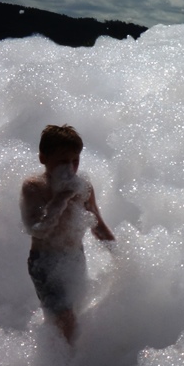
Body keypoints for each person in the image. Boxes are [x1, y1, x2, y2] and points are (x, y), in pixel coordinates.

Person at [20, 125, 115, 343]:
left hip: (74, 257)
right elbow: (38, 230)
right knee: (63, 318)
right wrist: (61, 198)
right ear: (43, 158)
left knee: (74, 312)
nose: (70, 167)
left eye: (75, 160)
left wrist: (121, 255)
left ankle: (70, 355)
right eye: (63, 161)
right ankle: (65, 360)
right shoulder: (34, 187)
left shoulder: (83, 186)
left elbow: (97, 225)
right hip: (44, 263)